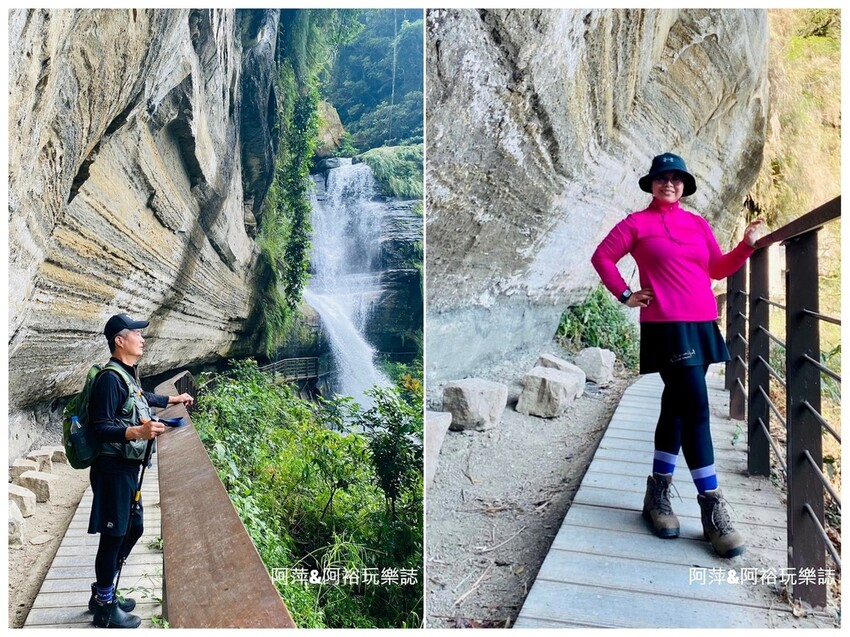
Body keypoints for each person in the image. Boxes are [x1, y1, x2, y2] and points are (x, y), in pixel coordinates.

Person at [591, 153, 764, 559]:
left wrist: (747, 246)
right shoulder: (636, 224)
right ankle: (711, 503)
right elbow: (602, 257)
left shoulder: (698, 223)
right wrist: (625, 294)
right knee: (697, 407)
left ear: (684, 185)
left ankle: (658, 495)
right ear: (651, 184)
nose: (668, 184)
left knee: (677, 408)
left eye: (676, 178)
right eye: (661, 178)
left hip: (702, 324)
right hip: (667, 326)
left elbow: (718, 269)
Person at [88, 313, 194, 628]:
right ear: (119, 340)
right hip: (112, 469)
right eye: (135, 333)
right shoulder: (109, 378)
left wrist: (171, 398)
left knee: (132, 527)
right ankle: (104, 607)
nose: (142, 337)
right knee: (113, 534)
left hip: (126, 469)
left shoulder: (127, 374)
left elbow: (141, 397)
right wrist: (138, 432)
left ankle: (105, 589)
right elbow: (100, 426)